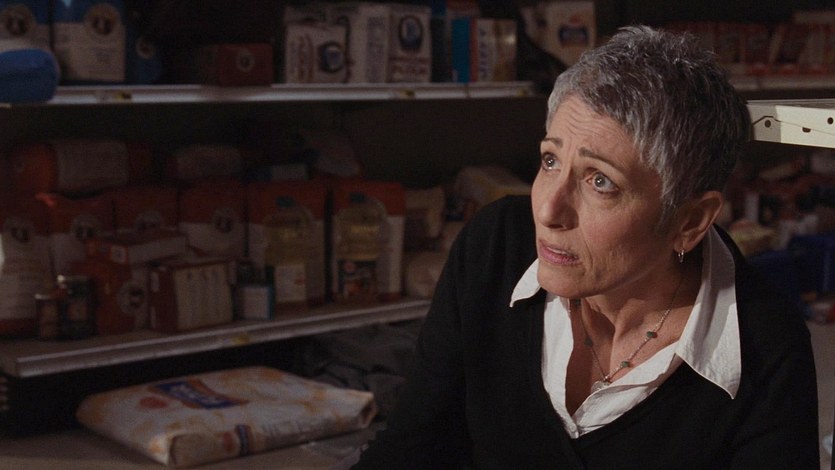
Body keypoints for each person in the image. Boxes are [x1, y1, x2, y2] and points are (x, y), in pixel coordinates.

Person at [351, 25, 820, 468]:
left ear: (689, 221)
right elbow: (411, 446)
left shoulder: (765, 347)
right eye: (550, 160)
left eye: (600, 182)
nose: (547, 210)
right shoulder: (495, 246)